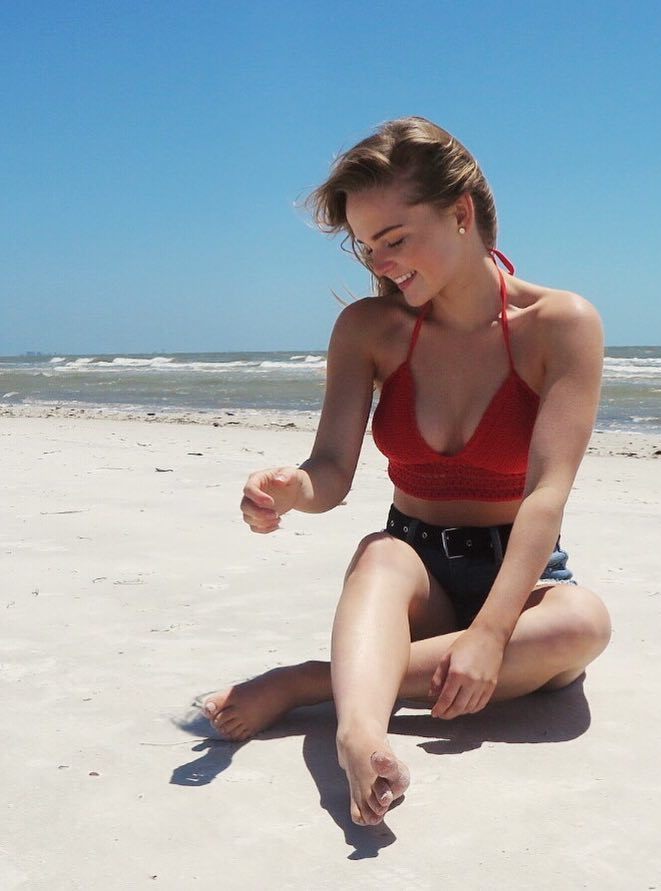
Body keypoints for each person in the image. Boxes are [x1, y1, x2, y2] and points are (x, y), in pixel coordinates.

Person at [202, 117, 611, 826]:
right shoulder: (369, 329)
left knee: (582, 624)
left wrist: (492, 632)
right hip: (416, 570)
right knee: (380, 553)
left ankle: (314, 681)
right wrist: (292, 489)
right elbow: (331, 468)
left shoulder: (561, 324)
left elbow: (547, 494)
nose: (381, 262)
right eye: (367, 247)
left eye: (394, 239)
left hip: (522, 571)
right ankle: (359, 735)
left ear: (460, 214)